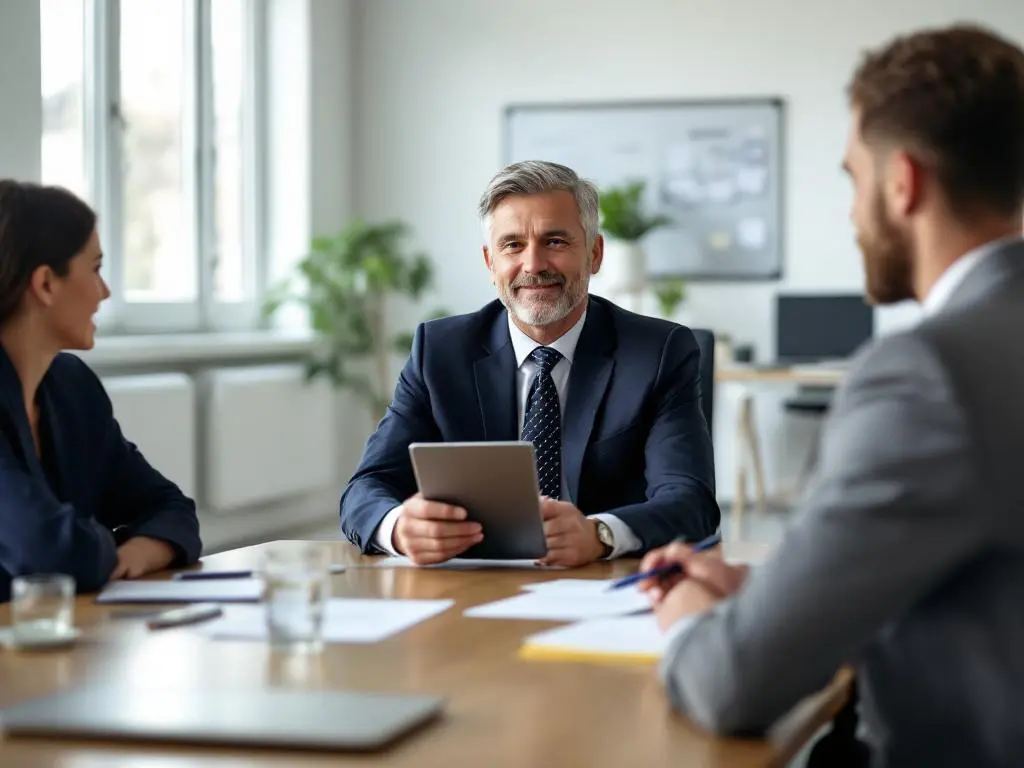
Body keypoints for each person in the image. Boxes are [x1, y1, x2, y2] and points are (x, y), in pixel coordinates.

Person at [642, 23, 1024, 768]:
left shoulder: (927, 374)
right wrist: (787, 587)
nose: (852, 215)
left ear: (902, 182)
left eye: (853, 178)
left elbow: (733, 683)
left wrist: (687, 613)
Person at [340, 160, 718, 566]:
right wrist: (398, 527)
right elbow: (367, 487)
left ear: (594, 253)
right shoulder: (440, 351)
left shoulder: (658, 353)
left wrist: (600, 534)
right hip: (473, 584)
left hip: (605, 583)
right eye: (512, 245)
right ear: (490, 263)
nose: (533, 265)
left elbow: (690, 501)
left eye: (555, 241)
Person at [0, 180, 202, 602]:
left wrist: (145, 549)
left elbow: (171, 508)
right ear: (46, 284)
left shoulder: (72, 386)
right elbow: (49, 553)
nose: (104, 292)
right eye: (95, 269)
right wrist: (111, 542)